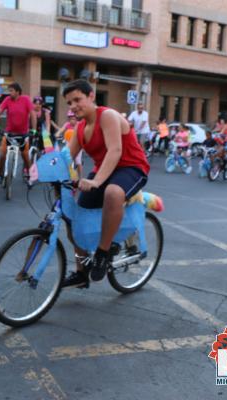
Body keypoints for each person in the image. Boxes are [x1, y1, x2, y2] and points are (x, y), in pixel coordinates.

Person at [61, 79, 150, 288]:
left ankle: (103, 252)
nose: (73, 106)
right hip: (104, 170)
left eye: (77, 100)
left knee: (112, 192)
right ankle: (81, 273)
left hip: (131, 167)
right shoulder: (81, 128)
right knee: (76, 216)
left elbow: (115, 150)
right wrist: (44, 172)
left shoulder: (107, 116)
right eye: (69, 103)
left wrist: (96, 181)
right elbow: (66, 156)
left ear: (91, 96)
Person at [0, 82, 37, 186]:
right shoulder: (7, 100)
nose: (9, 93)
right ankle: (0, 175)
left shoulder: (25, 99)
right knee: (2, 155)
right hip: (9, 133)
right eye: (9, 90)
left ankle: (30, 176)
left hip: (23, 134)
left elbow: (33, 114)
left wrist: (33, 129)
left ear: (17, 91)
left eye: (11, 90)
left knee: (25, 156)